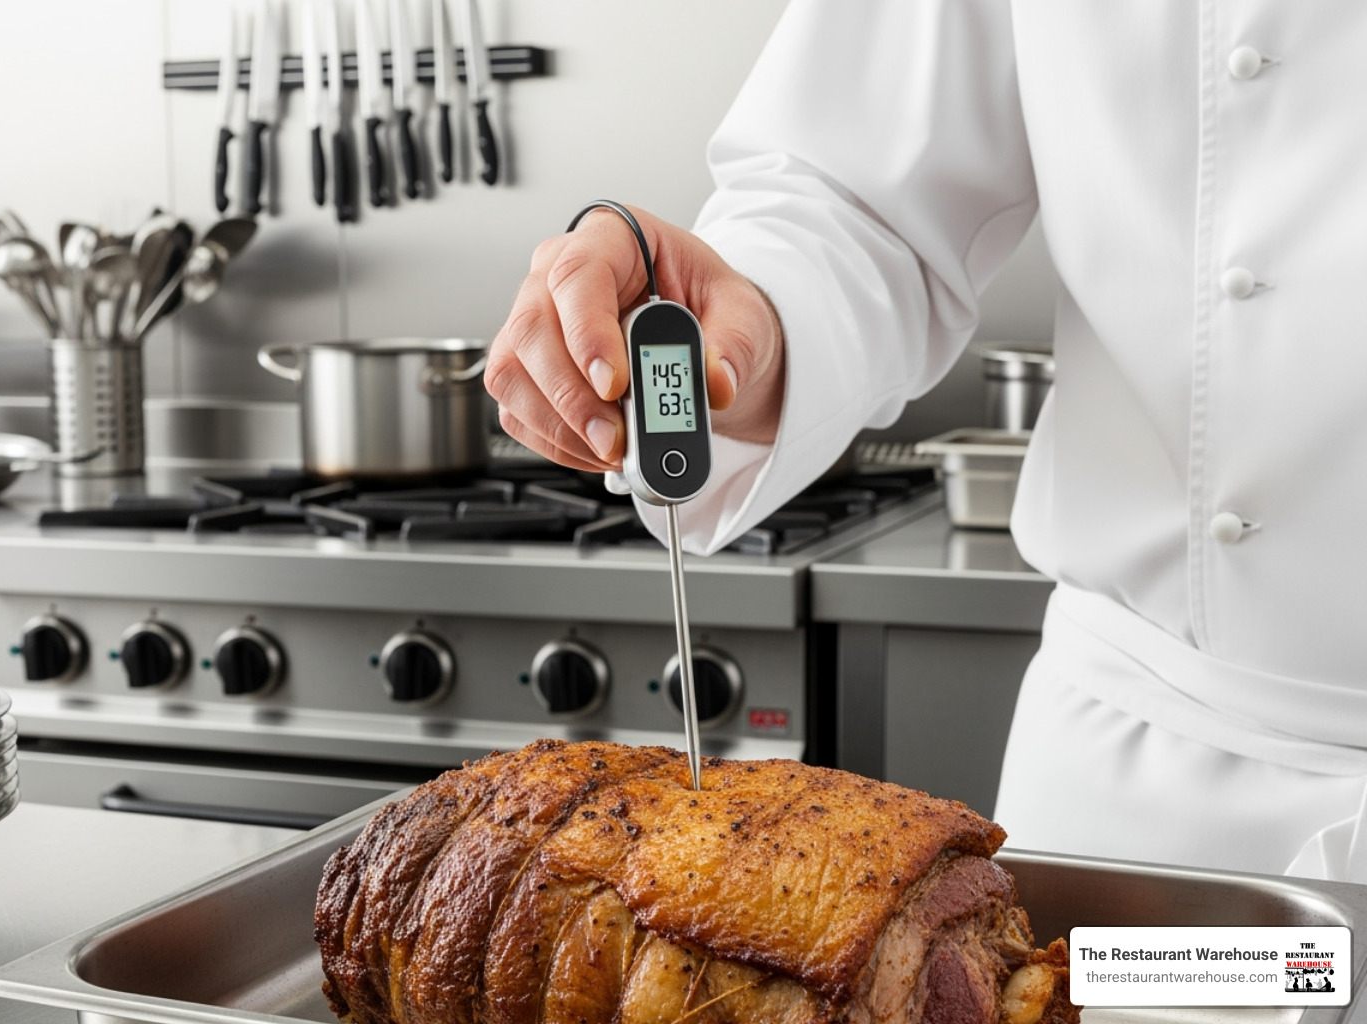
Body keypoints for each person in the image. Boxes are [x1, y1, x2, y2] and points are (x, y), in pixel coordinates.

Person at [485, 0, 1367, 881]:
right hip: (1148, 804)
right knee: (1045, 974)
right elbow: (862, 201)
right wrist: (758, 330)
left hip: (1154, 751)